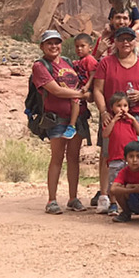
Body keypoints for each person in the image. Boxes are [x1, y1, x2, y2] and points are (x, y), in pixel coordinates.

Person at [92, 26, 139, 206]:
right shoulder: (107, 62)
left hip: (137, 116)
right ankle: (106, 196)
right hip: (111, 117)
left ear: (135, 41)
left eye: (129, 39)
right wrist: (104, 111)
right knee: (109, 155)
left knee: (134, 157)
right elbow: (97, 89)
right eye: (121, 39)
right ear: (115, 42)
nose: (125, 43)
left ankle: (132, 197)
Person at [32, 30, 86, 214]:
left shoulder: (68, 63)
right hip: (56, 119)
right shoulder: (40, 66)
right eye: (49, 43)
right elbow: (56, 90)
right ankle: (52, 200)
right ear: (42, 46)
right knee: (57, 158)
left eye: (57, 42)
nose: (54, 46)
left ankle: (73, 198)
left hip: (76, 118)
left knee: (73, 158)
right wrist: (80, 94)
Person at [100, 91, 139, 214]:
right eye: (118, 106)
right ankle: (113, 204)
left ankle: (130, 204)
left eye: (125, 106)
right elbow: (105, 134)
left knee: (131, 182)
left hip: (131, 159)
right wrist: (113, 120)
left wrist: (132, 118)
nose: (122, 109)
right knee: (114, 182)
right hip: (116, 157)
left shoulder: (130, 121)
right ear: (112, 108)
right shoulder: (111, 122)